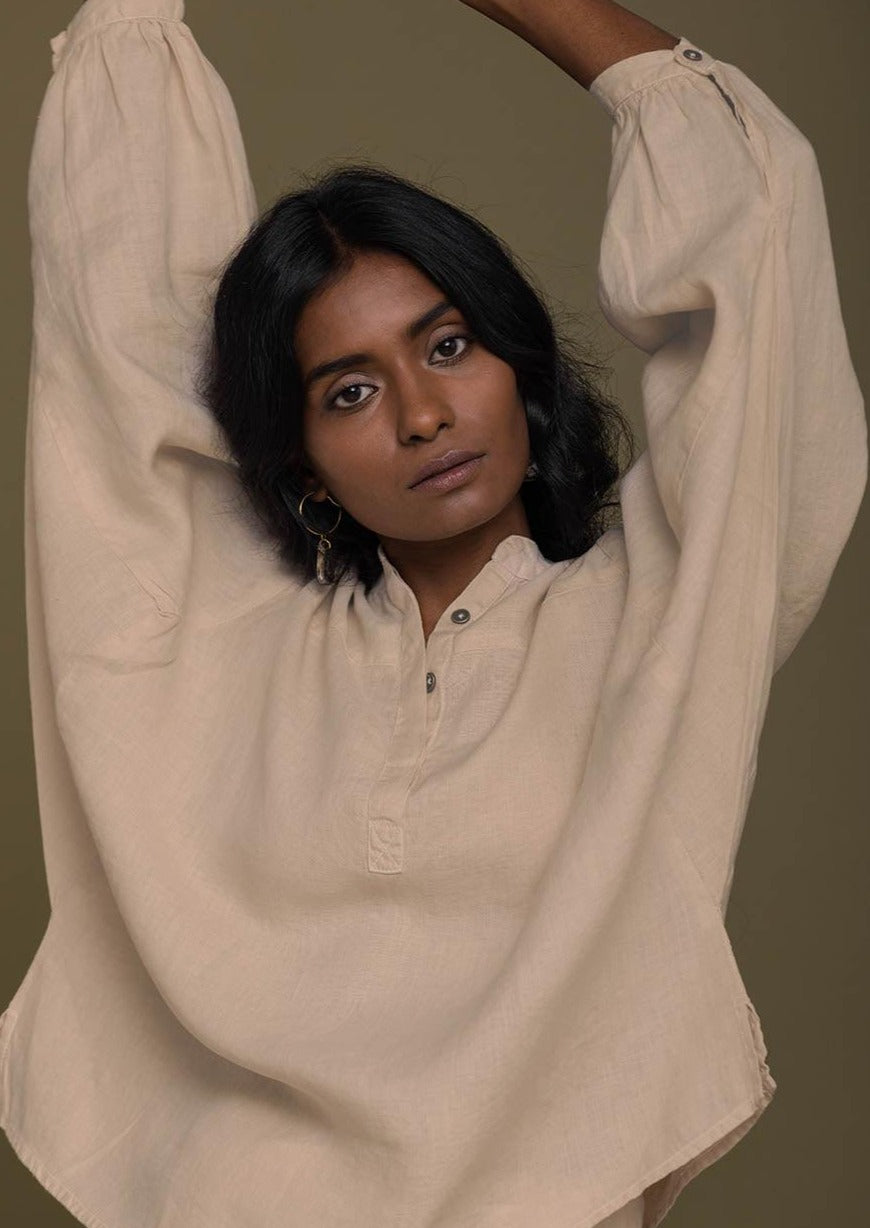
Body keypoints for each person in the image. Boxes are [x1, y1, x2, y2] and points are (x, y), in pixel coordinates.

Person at [1, 1, 865, 1226]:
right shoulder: (215, 656)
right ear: (299, 460)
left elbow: (758, 242)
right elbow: (112, 337)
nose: (420, 413)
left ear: (519, 361)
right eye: (350, 388)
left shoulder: (655, 636)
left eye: (449, 344)